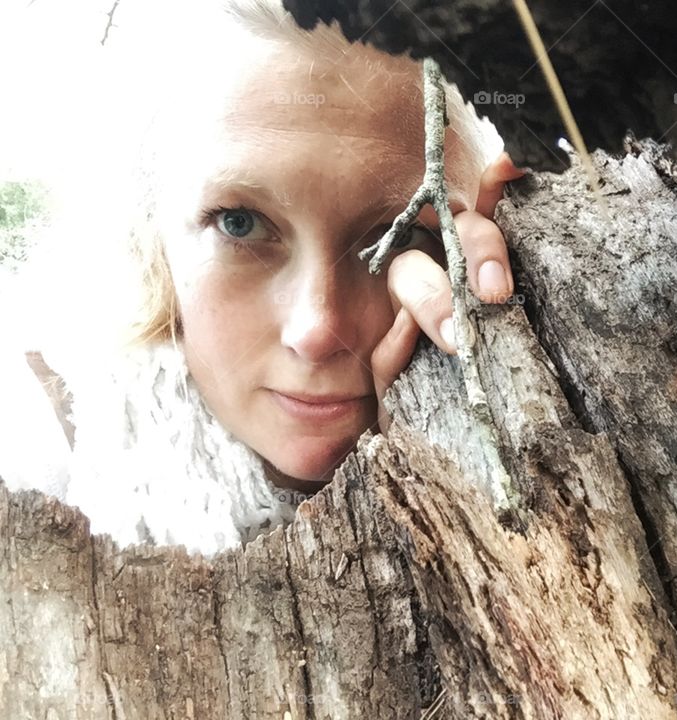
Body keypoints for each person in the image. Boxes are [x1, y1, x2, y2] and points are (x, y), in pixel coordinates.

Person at [0, 0, 525, 556]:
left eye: (399, 235)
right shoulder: (42, 475)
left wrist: (474, 420)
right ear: (149, 238)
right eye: (240, 224)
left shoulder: (562, 418)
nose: (317, 331)